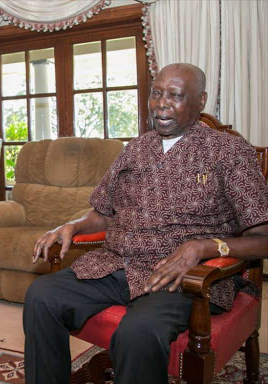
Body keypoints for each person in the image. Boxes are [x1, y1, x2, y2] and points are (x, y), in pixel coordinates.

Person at [24, 63, 268, 384]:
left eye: (175, 95)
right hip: (114, 265)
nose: (161, 103)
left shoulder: (229, 151)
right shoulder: (135, 149)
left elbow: (262, 236)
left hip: (181, 278)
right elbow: (102, 212)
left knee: (138, 330)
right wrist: (73, 226)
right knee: (42, 295)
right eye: (156, 93)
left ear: (201, 100)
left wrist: (204, 247)